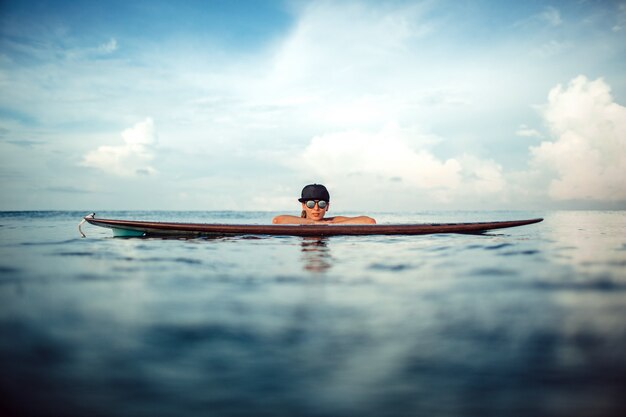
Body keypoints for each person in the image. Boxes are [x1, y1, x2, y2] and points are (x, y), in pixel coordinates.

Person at [272, 184, 376, 225]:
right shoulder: (298, 222)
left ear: (327, 207)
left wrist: (330, 224)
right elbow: (277, 220)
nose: (316, 208)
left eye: (321, 204)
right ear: (304, 206)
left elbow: (370, 221)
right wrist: (315, 223)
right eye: (311, 204)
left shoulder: (331, 221)